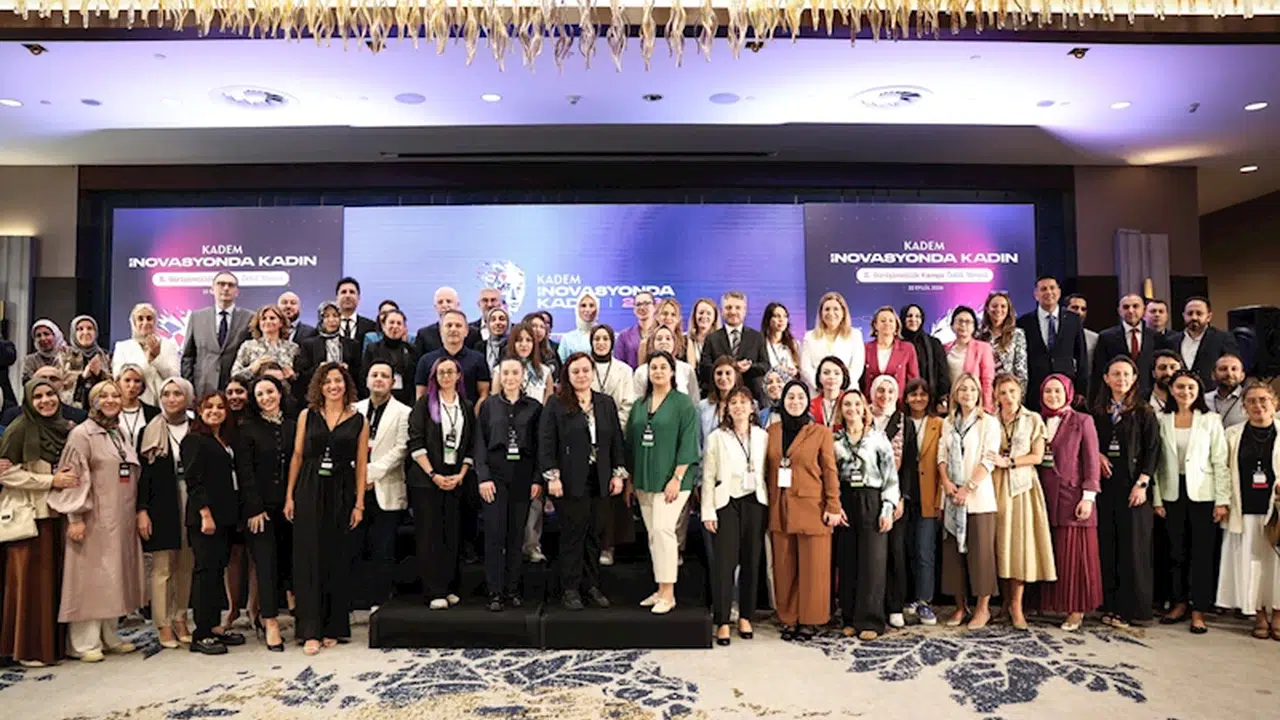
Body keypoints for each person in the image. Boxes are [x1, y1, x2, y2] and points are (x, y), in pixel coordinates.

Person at [47, 380, 145, 662]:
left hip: (120, 517)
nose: (111, 400)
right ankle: (82, 642)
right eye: (105, 396)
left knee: (114, 576)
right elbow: (73, 478)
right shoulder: (82, 434)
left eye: (116, 395)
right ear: (93, 401)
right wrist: (75, 517)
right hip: (92, 517)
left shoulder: (118, 432)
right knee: (89, 578)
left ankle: (109, 635)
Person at [284, 362, 369, 655]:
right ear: (319, 386)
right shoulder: (307, 415)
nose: (333, 386)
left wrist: (359, 503)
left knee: (336, 556)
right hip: (309, 486)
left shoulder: (359, 420)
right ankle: (310, 630)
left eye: (338, 381)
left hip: (342, 489)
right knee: (308, 557)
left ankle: (333, 626)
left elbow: (361, 465)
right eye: (328, 381)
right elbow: (297, 455)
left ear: (346, 385)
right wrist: (289, 496)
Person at [538, 353, 627, 610]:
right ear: (567, 375)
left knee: (594, 534)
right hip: (568, 480)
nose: (581, 375)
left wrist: (618, 473)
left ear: (592, 372)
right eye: (575, 371)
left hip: (600, 478)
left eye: (586, 370)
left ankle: (591, 586)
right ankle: (570, 589)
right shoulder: (556, 403)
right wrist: (552, 476)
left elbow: (616, 441)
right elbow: (546, 442)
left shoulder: (605, 403)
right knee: (573, 535)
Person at [0, 378, 76, 667]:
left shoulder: (64, 428)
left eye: (50, 394)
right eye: (38, 396)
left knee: (51, 583)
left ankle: (50, 646)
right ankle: (28, 649)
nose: (45, 401)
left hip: (57, 514)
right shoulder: (19, 429)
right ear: (28, 402)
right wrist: (50, 481)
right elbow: (6, 473)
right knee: (30, 586)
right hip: (30, 516)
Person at [1154, 369, 1229, 634]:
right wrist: (1156, 498)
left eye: (1191, 387)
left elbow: (1220, 461)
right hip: (1171, 493)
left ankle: (1199, 610)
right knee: (1175, 551)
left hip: (1203, 494)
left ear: (1198, 391)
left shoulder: (1211, 420)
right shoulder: (1161, 419)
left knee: (1202, 553)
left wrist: (1222, 500)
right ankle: (1179, 603)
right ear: (1171, 390)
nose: (1185, 392)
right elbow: (1155, 463)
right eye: (1180, 387)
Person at [765, 380, 841, 641]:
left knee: (814, 568)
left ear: (808, 402)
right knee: (784, 567)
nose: (795, 402)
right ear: (782, 401)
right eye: (790, 397)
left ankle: (810, 620)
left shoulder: (820, 433)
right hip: (780, 507)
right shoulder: (772, 431)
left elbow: (830, 471)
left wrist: (833, 504)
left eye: (800, 397)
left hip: (813, 508)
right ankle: (789, 618)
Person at [626, 350, 700, 615]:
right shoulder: (640, 404)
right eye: (653, 367)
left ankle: (668, 594)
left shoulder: (683, 404)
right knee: (654, 536)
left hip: (673, 481)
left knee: (663, 531)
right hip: (644, 479)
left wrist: (677, 478)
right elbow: (631, 443)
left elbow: (689, 442)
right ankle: (659, 589)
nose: (657, 371)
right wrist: (631, 480)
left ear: (672, 372)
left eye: (662, 367)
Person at [1093, 355, 1160, 628]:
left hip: (1134, 488)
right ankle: (1110, 605)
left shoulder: (1145, 412)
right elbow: (1089, 441)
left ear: (1134, 379)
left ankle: (1134, 610)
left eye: (1126, 374)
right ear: (1106, 378)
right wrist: (1097, 455)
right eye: (1116, 374)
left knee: (1133, 549)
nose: (1121, 379)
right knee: (1109, 546)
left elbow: (1153, 450)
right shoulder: (1098, 411)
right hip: (1106, 488)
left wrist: (1143, 483)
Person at [474, 358, 543, 611]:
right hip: (495, 477)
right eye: (506, 373)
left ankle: (512, 589)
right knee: (494, 535)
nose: (510, 377)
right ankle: (494, 592)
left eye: (515, 372)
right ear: (499, 376)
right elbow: (479, 443)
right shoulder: (489, 405)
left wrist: (537, 479)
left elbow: (540, 446)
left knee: (516, 536)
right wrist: (483, 477)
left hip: (523, 477)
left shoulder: (534, 407)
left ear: (523, 376)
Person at [181, 392, 247, 655]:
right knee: (205, 574)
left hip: (226, 517)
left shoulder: (225, 440)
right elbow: (193, 480)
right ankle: (201, 633)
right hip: (205, 519)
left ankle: (214, 627)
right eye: (209, 407)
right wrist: (205, 514)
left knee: (217, 572)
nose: (215, 411)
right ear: (199, 410)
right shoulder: (194, 440)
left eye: (220, 407)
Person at [1036, 374, 1103, 631]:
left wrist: (1088, 497)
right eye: (1048, 391)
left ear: (1068, 393)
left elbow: (1091, 462)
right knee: (1052, 552)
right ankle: (1051, 605)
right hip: (1043, 496)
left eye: (1058, 391)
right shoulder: (1038, 420)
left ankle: (1076, 610)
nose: (1053, 396)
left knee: (1074, 557)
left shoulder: (1083, 421)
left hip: (1073, 497)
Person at [701, 386, 767, 646]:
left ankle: (746, 616)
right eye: (734, 402)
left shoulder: (762, 436)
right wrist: (708, 510)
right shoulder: (717, 437)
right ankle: (722, 620)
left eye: (743, 402)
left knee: (751, 560)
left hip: (755, 501)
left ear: (752, 407)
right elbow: (708, 476)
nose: (739, 406)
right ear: (727, 408)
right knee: (724, 564)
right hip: (726, 502)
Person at [990, 373, 1056, 630]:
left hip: (1021, 486)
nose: (1008, 397)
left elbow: (1037, 456)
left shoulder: (1033, 419)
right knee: (1000, 544)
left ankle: (1017, 606)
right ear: (995, 395)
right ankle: (1004, 603)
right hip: (994, 486)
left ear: (1020, 393)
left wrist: (1009, 462)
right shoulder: (989, 419)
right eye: (1002, 392)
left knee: (1018, 545)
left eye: (1012, 391)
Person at [407, 356, 474, 611]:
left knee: (451, 535)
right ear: (434, 377)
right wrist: (433, 474)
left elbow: (470, 444)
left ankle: (449, 587)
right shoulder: (424, 404)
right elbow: (415, 442)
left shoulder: (466, 406)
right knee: (430, 536)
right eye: (441, 372)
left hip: (455, 479)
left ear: (459, 375)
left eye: (450, 372)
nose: (446, 376)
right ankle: (433, 591)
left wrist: (461, 474)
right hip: (427, 480)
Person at [832, 388, 899, 640]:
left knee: (873, 562)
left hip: (872, 499)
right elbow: (831, 477)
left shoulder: (878, 438)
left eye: (857, 404)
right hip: (846, 500)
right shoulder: (835, 440)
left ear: (864, 408)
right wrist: (835, 506)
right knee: (848, 560)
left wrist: (887, 508)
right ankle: (850, 618)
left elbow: (890, 476)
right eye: (847, 405)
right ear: (841, 409)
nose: (852, 409)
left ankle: (870, 620)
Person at [1215, 381, 1280, 639]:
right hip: (1244, 509)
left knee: (1277, 564)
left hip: (1276, 510)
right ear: (1243, 407)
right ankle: (1258, 614)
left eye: (1263, 400)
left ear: (1275, 403)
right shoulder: (1232, 434)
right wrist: (1222, 502)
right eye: (1251, 401)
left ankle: (1278, 614)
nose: (1258, 405)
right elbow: (1222, 470)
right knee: (1252, 564)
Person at [236, 375, 297, 649]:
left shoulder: (293, 425)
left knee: (289, 563)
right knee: (265, 564)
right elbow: (245, 472)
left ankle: (295, 613)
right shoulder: (247, 429)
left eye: (270, 391)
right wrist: (254, 508)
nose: (266, 398)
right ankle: (269, 620)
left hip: (290, 507)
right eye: (260, 394)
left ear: (280, 393)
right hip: (259, 510)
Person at [136, 376, 196, 650]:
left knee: (186, 563)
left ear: (188, 397)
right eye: (166, 394)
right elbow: (143, 476)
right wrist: (142, 510)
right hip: (161, 504)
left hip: (192, 499)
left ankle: (180, 617)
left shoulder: (197, 427)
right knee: (162, 567)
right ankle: (163, 623)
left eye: (177, 394)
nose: (171, 399)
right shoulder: (149, 431)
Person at [938, 372, 1002, 629]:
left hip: (978, 499)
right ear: (955, 393)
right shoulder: (948, 422)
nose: (967, 393)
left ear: (979, 393)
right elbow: (941, 455)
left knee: (981, 555)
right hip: (951, 497)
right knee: (954, 556)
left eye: (972, 389)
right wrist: (946, 482)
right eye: (963, 389)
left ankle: (982, 609)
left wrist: (968, 488)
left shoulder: (989, 422)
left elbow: (988, 460)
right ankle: (959, 607)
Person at [351, 362, 410, 612]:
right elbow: (346, 444)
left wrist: (370, 473)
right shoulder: (354, 409)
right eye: (374, 375)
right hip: (355, 487)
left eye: (384, 376)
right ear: (366, 380)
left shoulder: (404, 412)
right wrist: (358, 474)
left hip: (386, 485)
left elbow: (401, 449)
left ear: (392, 382)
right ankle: (354, 599)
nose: (379, 379)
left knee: (383, 547)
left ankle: (380, 599)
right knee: (355, 544)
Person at [587, 324, 636, 566]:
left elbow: (628, 405)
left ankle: (609, 546)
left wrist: (611, 429)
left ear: (612, 342)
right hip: (585, 440)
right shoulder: (583, 367)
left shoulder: (624, 370)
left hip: (615, 438)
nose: (601, 343)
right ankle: (591, 545)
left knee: (612, 498)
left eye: (605, 338)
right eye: (596, 339)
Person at [900, 378, 943, 626]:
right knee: (904, 548)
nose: (918, 399)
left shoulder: (939, 424)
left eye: (923, 394)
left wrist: (941, 498)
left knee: (925, 550)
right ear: (906, 398)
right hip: (903, 494)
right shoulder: (898, 422)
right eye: (913, 394)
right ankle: (907, 598)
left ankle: (925, 600)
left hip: (928, 493)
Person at [867, 375, 908, 629]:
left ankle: (894, 606)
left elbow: (910, 462)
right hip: (868, 495)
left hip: (895, 495)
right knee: (871, 553)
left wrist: (901, 497)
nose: (885, 395)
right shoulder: (864, 418)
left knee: (895, 551)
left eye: (890, 391)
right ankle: (872, 605)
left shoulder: (903, 421)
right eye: (880, 390)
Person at [1016, 276, 1089, 411]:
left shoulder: (1073, 319)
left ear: (1059, 292)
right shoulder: (1024, 322)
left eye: (1052, 288)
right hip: (1035, 391)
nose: (1049, 292)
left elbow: (1081, 356)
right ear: (1036, 294)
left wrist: (1081, 389)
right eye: (1043, 289)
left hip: (1066, 389)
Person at [181, 271, 254, 398]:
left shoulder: (250, 318)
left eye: (231, 285)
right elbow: (188, 356)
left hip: (236, 390)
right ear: (212, 289)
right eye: (221, 284)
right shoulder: (196, 317)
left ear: (237, 291)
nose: (226, 288)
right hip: (203, 388)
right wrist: (189, 389)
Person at [697, 291, 769, 401]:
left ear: (744, 311)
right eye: (728, 307)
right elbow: (704, 368)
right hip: (718, 398)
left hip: (750, 397)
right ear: (722, 311)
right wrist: (730, 367)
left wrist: (750, 367)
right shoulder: (712, 338)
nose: (733, 312)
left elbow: (765, 366)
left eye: (738, 308)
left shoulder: (757, 337)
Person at [415, 310, 491, 408]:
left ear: (466, 331)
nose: (453, 329)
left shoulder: (478, 359)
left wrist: (474, 415)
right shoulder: (426, 360)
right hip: (434, 415)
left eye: (458, 325)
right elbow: (420, 395)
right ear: (441, 331)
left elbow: (483, 394)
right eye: (449, 325)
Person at [112, 303, 182, 406]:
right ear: (134, 323)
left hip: (163, 403)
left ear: (155, 321)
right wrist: (147, 362)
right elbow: (118, 376)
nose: (145, 322)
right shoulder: (122, 347)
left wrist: (156, 359)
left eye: (149, 318)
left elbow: (175, 377)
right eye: (140, 319)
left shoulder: (168, 345)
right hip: (134, 402)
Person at [1093, 294, 1158, 401]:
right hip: (1116, 395)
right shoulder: (1106, 337)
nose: (1131, 311)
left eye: (1135, 306)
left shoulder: (1155, 337)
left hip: (1148, 396)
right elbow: (1099, 370)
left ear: (1144, 310)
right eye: (1126, 307)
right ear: (1119, 311)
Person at [1169, 296, 1241, 393]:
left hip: (1212, 395)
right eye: (1190, 313)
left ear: (1208, 317)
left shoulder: (1223, 338)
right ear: (1183, 316)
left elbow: (1233, 367)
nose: (1194, 317)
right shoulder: (1172, 341)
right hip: (1180, 394)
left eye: (1199, 313)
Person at [297, 301, 363, 404]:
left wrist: (347, 369)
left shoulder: (352, 344)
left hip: (346, 395)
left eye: (335, 316)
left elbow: (360, 372)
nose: (331, 320)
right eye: (327, 316)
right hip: (318, 396)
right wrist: (319, 368)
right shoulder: (309, 344)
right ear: (321, 320)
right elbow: (302, 373)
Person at [800, 291, 864, 393]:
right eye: (827, 309)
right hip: (817, 392)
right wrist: (820, 386)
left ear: (843, 312)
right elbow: (806, 367)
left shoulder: (855, 335)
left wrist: (840, 387)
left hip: (847, 392)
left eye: (836, 309)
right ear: (821, 313)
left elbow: (857, 367)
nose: (831, 313)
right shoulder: (809, 336)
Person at [362, 308, 422, 408]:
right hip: (378, 400)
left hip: (406, 402)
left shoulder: (412, 350)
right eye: (391, 322)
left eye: (399, 323)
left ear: (404, 328)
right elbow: (364, 377)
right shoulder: (372, 349)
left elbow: (415, 380)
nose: (395, 326)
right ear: (383, 326)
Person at [230, 304, 300, 385]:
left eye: (272, 318)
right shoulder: (248, 346)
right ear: (259, 323)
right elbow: (234, 375)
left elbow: (300, 378)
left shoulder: (293, 348)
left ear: (281, 322)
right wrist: (253, 368)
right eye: (263, 319)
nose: (268, 321)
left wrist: (291, 375)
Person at [943, 306, 996, 412]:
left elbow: (987, 380)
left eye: (968, 322)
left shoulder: (983, 348)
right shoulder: (944, 348)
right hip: (951, 404)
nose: (963, 325)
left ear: (974, 327)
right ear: (952, 325)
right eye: (960, 321)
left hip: (973, 404)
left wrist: (987, 406)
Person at [863, 306, 920, 403]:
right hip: (870, 404)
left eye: (891, 321)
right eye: (883, 321)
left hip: (898, 404)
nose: (887, 323)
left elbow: (913, 380)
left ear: (896, 325)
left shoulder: (907, 348)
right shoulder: (865, 348)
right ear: (875, 325)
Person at [0, 365, 88, 427]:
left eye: (53, 379)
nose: (48, 382)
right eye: (42, 378)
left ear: (62, 384)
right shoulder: (12, 416)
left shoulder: (78, 417)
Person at [901, 304, 950, 412]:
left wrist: (942, 398)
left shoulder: (933, 344)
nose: (913, 319)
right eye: (909, 316)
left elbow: (943, 374)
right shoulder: (897, 344)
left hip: (931, 401)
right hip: (902, 403)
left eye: (917, 316)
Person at [58, 315, 112, 409]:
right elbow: (59, 380)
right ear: (74, 333)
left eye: (90, 328)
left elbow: (114, 383)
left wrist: (99, 374)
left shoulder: (105, 355)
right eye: (80, 329)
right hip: (73, 407)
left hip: (101, 406)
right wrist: (82, 376)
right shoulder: (65, 354)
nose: (85, 332)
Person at [979, 292, 1029, 392]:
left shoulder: (1017, 334)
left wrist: (1019, 395)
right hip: (984, 390)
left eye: (1003, 306)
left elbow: (1021, 370)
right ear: (987, 309)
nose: (998, 310)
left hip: (1007, 391)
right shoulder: (978, 334)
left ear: (1008, 310)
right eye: (994, 306)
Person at [633, 326, 700, 399]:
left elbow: (694, 399)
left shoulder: (687, 369)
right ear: (652, 343)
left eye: (668, 339)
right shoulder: (641, 371)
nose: (663, 342)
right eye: (659, 339)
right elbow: (637, 400)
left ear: (674, 343)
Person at [414, 287, 483, 357]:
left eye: (449, 301)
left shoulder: (473, 333)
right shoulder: (424, 334)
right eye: (440, 302)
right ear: (435, 307)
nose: (444, 305)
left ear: (458, 304)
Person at [114, 364, 159, 451]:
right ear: (118, 383)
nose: (132, 385)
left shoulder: (154, 413)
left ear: (143, 386)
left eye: (137, 381)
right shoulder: (109, 412)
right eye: (127, 380)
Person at [614, 290, 657, 369]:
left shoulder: (663, 334)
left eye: (646, 303)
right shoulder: (624, 336)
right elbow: (618, 366)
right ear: (634, 309)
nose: (642, 307)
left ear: (655, 307)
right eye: (638, 304)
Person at [761, 302, 801, 385]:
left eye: (785, 316)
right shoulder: (761, 344)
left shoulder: (794, 344)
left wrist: (795, 371)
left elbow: (801, 369)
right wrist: (779, 369)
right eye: (777, 316)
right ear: (768, 319)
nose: (781, 320)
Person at [1205, 354, 1247, 428]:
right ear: (1213, 375)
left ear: (1242, 376)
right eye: (1223, 369)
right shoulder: (1203, 399)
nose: (1229, 374)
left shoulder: (1250, 399)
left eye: (1234, 369)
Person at [809, 356, 851, 428]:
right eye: (826, 373)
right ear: (819, 377)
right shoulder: (810, 406)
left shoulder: (851, 403)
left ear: (843, 377)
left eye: (836, 373)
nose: (831, 377)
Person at [20, 319, 64, 384]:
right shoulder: (30, 360)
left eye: (46, 334)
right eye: (38, 335)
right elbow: (28, 383)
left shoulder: (68, 356)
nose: (43, 338)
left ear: (56, 335)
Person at [334, 277, 377, 343]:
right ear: (337, 297)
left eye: (352, 292)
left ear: (358, 297)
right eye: (343, 292)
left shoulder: (371, 327)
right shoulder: (326, 327)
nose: (347, 296)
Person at [557, 294, 599, 362]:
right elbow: (560, 364)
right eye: (583, 305)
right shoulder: (567, 338)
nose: (587, 309)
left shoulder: (604, 336)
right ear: (577, 309)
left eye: (591, 305)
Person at [686, 298, 722, 372]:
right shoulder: (685, 340)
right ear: (695, 316)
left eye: (708, 313)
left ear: (714, 318)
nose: (704, 316)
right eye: (701, 313)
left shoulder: (721, 341)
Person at [524, 312, 561, 382]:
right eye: (534, 326)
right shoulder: (516, 351)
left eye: (542, 327)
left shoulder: (550, 353)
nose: (538, 330)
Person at [1066, 293, 1100, 363]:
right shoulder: (1055, 335)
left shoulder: (1095, 338)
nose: (1079, 312)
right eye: (1075, 308)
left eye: (1083, 309)